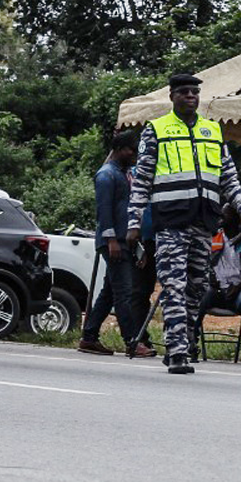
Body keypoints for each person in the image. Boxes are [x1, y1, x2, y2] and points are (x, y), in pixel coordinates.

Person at [127, 72, 241, 376]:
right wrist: (134, 222)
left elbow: (229, 177)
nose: (190, 97)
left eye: (194, 93)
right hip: (170, 222)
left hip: (203, 223)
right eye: (184, 92)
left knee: (196, 288)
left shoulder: (213, 131)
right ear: (172, 96)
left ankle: (180, 341)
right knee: (174, 284)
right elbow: (142, 180)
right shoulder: (156, 130)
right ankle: (178, 350)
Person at [78, 129, 152, 357]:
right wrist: (111, 240)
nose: (134, 155)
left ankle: (89, 336)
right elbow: (104, 212)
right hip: (113, 243)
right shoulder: (106, 176)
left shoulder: (123, 173)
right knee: (124, 293)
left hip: (124, 243)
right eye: (131, 149)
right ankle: (131, 341)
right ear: (120, 150)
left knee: (109, 293)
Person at [197, 206, 241, 363]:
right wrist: (210, 278)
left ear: (237, 218)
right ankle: (190, 345)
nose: (221, 218)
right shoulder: (215, 237)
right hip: (217, 289)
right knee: (198, 297)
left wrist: (238, 287)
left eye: (226, 215)